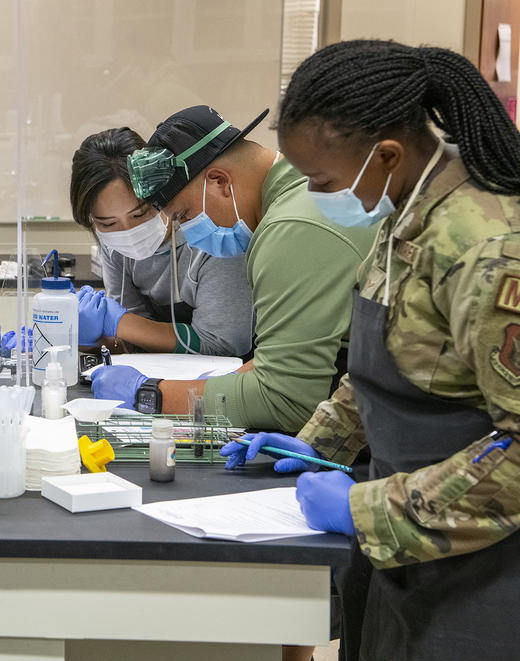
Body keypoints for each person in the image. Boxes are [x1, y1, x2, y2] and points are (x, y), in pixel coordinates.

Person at [223, 40, 520, 660]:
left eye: (322, 181)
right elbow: (393, 360)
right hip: (409, 557)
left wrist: (368, 511)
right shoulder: (405, 214)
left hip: (483, 576)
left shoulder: (484, 249)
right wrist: (318, 442)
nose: (315, 194)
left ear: (387, 154)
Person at [92, 106, 375, 432]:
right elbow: (288, 357)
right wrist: (223, 384)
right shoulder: (307, 192)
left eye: (184, 216)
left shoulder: (290, 228)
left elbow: (284, 400)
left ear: (220, 182)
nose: (191, 233)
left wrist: (150, 394)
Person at [69, 127, 253, 356]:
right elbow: (133, 340)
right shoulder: (114, 245)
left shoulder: (212, 235)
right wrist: (76, 340)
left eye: (140, 214)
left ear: (160, 193)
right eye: (108, 224)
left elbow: (224, 344)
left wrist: (122, 323)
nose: (129, 232)